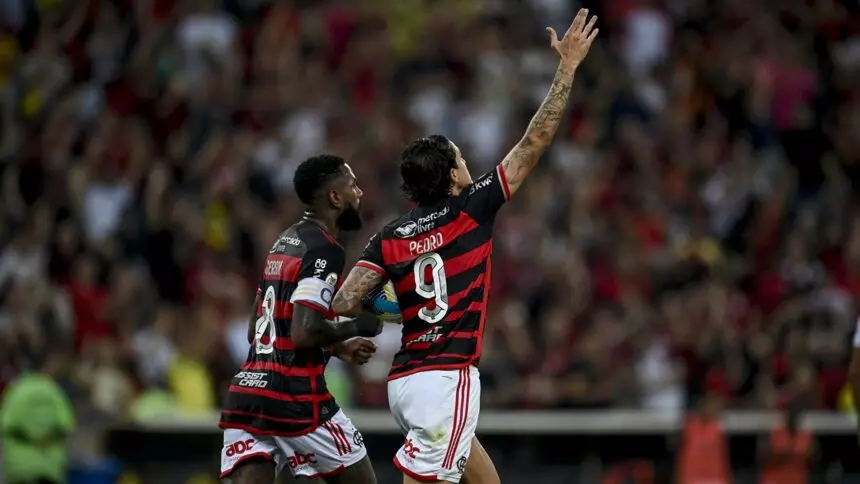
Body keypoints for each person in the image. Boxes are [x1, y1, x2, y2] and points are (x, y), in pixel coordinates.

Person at [330, 10, 599, 484]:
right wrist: (567, 68)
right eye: (461, 156)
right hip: (447, 375)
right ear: (453, 174)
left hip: (405, 382)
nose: (467, 160)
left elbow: (347, 300)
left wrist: (398, 307)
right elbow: (535, 140)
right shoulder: (472, 206)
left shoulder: (390, 235)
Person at [218, 154, 382, 484]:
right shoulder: (325, 250)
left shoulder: (285, 241)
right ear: (335, 197)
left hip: (250, 395)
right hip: (294, 398)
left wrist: (339, 348)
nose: (359, 192)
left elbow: (258, 329)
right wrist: (354, 327)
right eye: (352, 185)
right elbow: (304, 334)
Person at [0, 352, 75, 484]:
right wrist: (45, 438)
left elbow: (6, 424)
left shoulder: (16, 391)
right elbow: (66, 424)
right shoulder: (54, 391)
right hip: (49, 466)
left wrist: (30, 437)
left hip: (21, 467)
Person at [758, 403, 814, 484]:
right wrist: (789, 452)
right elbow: (766, 459)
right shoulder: (775, 432)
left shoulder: (805, 435)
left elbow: (810, 460)